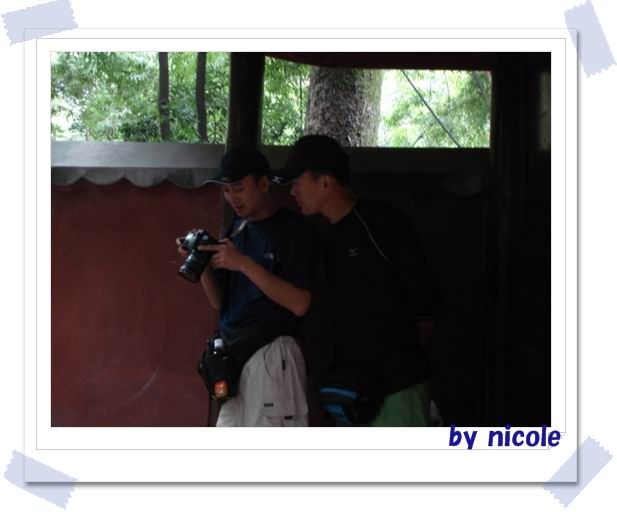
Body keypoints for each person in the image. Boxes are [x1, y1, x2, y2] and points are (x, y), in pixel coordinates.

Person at [270, 135, 441, 427]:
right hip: (350, 392)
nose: (292, 191)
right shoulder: (328, 239)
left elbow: (426, 304)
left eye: (297, 182)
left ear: (326, 183)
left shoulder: (382, 222)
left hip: (398, 387)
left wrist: (400, 359)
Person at [176, 146, 317, 427]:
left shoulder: (292, 229)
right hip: (232, 355)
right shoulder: (237, 229)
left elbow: (300, 303)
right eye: (226, 190)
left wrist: (242, 263)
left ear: (264, 183)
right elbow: (219, 301)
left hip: (272, 351)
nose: (232, 197)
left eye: (238, 188)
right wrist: (202, 264)